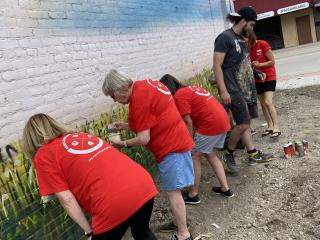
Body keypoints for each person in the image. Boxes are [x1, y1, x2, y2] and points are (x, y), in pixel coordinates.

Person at [22, 113, 158, 240]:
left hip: (113, 202)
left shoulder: (43, 155)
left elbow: (66, 199)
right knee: (142, 232)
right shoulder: (79, 135)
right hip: (142, 183)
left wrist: (89, 232)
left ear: (30, 141)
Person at [102, 69, 194, 240]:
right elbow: (151, 120)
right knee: (175, 191)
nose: (114, 100)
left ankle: (183, 234)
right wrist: (125, 125)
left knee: (173, 192)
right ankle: (181, 223)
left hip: (171, 147)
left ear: (120, 88)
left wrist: (122, 144)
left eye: (113, 95)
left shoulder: (139, 98)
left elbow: (144, 138)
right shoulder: (146, 85)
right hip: (178, 141)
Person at [213, 6, 274, 172]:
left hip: (246, 87)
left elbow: (242, 62)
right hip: (233, 88)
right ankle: (228, 152)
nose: (252, 28)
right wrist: (224, 90)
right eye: (251, 25)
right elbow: (217, 65)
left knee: (245, 123)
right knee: (243, 123)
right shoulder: (224, 38)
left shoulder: (242, 39)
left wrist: (256, 72)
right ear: (243, 21)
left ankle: (252, 153)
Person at [159, 74, 234, 204]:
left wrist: (187, 143)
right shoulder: (191, 89)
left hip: (211, 125)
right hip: (222, 121)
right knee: (210, 154)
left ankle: (193, 194)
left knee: (195, 156)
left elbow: (188, 122)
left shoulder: (179, 96)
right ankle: (225, 188)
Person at [248, 30, 281, 138]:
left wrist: (259, 64)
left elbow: (272, 61)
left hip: (269, 77)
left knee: (268, 101)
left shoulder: (262, 43)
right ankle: (270, 126)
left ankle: (276, 127)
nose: (245, 42)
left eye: (246, 39)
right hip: (257, 79)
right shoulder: (247, 49)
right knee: (262, 104)